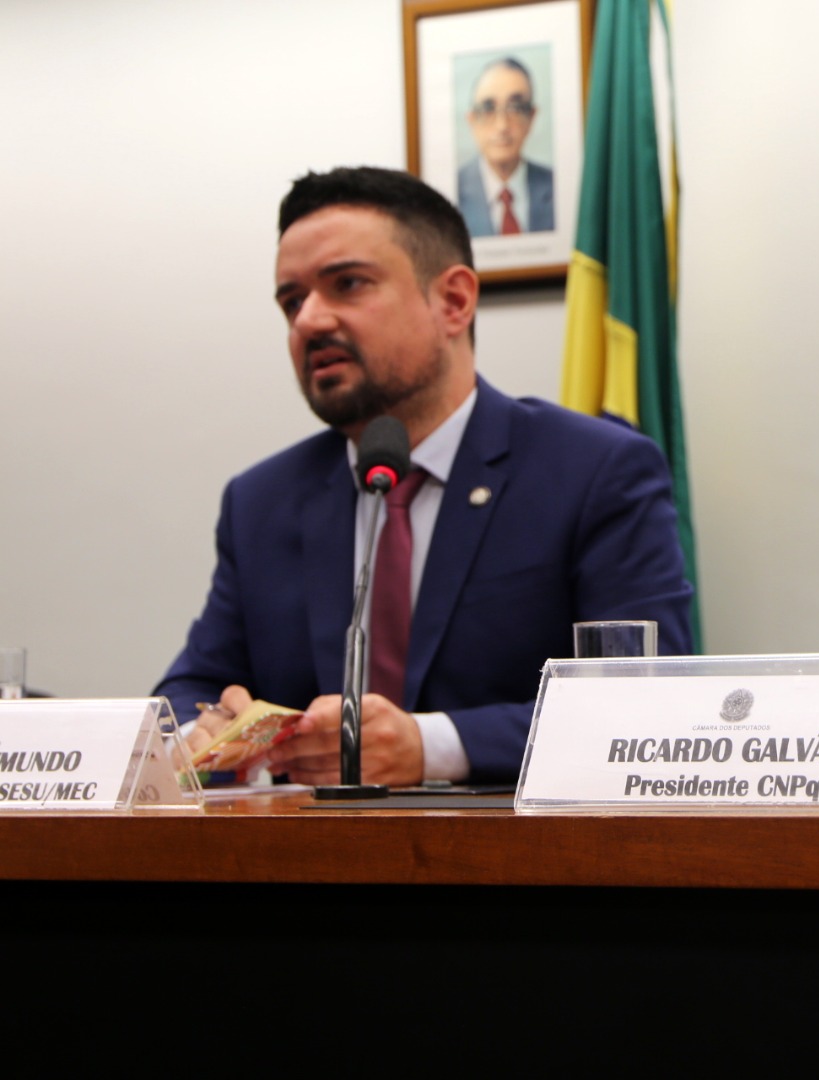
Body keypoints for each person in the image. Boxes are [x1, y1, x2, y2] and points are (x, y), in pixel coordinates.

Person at [156, 166, 692, 785]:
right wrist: (201, 734)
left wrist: (429, 746)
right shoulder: (261, 501)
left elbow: (646, 704)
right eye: (292, 301)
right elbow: (189, 690)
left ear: (454, 301)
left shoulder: (594, 471)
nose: (309, 322)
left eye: (347, 284)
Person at [457, 57, 555, 237]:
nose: (502, 126)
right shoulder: (451, 192)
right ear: (471, 120)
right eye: (488, 108)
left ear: (532, 117)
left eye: (516, 108)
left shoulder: (557, 186)